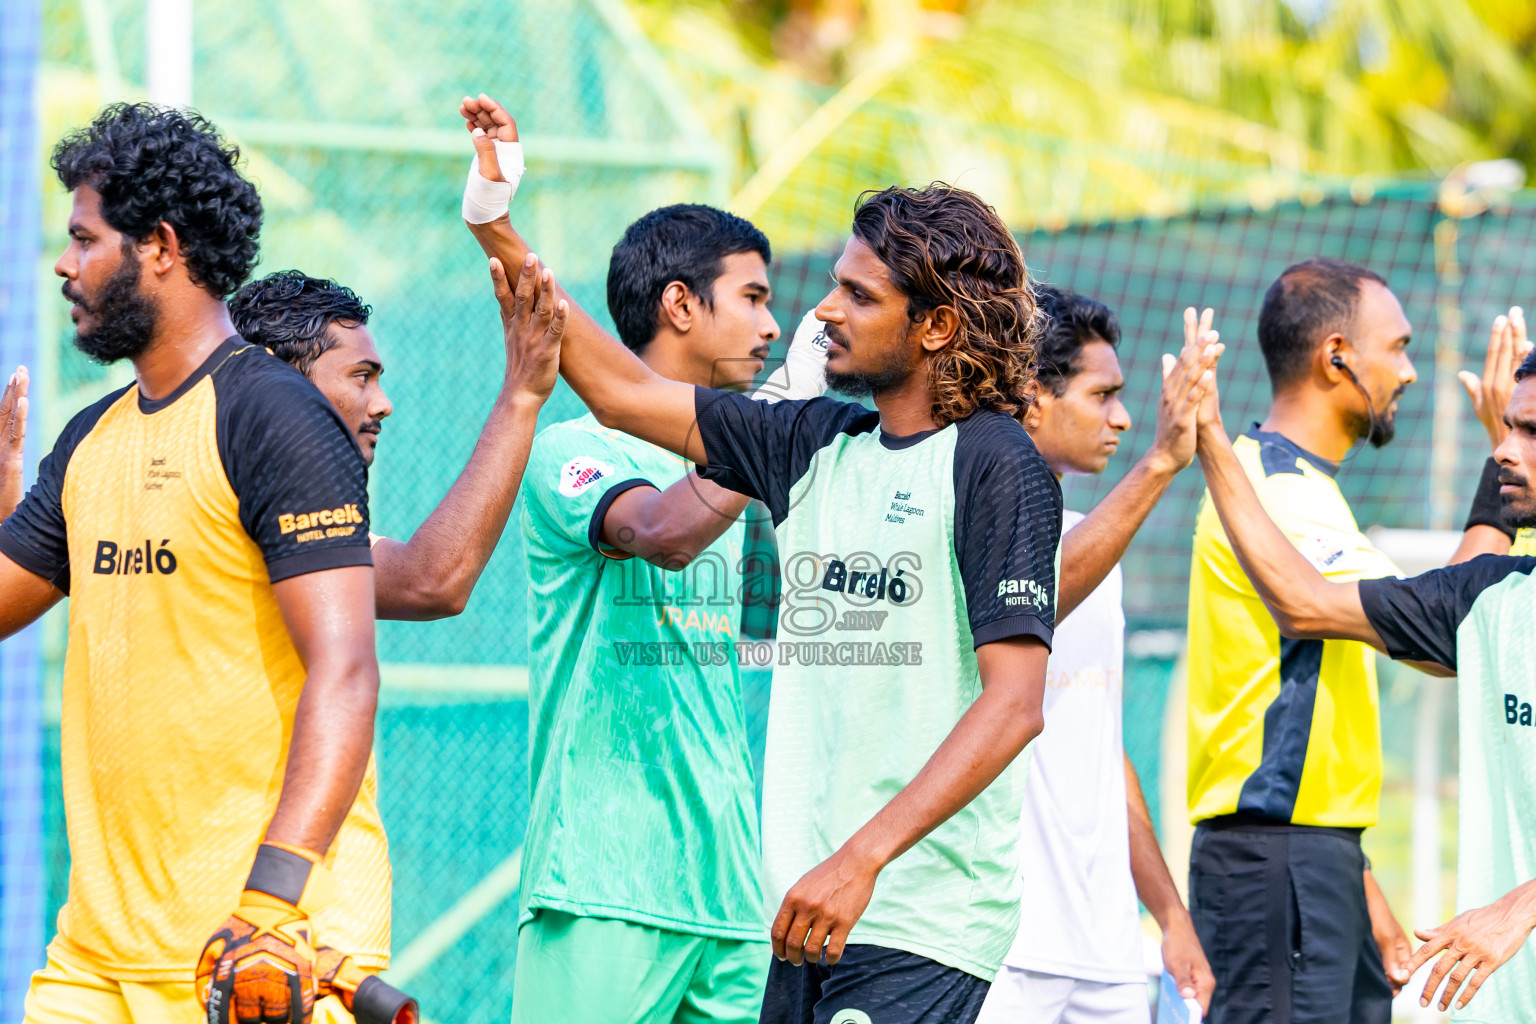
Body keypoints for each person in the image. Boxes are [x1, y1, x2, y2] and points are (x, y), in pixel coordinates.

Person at [477, 168, 1077, 1024]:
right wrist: (495, 226)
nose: (823, 309)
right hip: (802, 911)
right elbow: (622, 393)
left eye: (857, 294)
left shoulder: (995, 460)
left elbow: (1015, 706)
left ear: (938, 325)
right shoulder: (816, 440)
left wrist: (860, 860)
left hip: (917, 919)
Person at [0, 104, 412, 1024]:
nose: (64, 266)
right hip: (97, 959)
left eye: (83, 239)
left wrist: (270, 905)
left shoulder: (272, 417)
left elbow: (346, 671)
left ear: (160, 247)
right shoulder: (90, 439)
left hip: (260, 954)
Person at [458, 96, 826, 1024]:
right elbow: (664, 536)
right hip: (604, 881)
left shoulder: (727, 469)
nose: (773, 326)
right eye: (753, 299)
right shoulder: (574, 452)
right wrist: (493, 223)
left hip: (733, 895)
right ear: (679, 304)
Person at [1184, 258, 1507, 1024]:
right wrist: (1507, 465)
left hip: (1315, 858)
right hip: (1276, 865)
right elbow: (1441, 635)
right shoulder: (1275, 489)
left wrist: (1361, 886)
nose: (1410, 372)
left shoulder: (1300, 486)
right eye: (1396, 348)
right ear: (1337, 356)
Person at [977, 287, 1218, 1023]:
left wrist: (1171, 917)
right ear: (1032, 400)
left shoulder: (1098, 549)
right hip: (1003, 950)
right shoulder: (968, 525)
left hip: (1108, 952)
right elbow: (1035, 593)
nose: (1122, 417)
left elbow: (1100, 751)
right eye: (1103, 394)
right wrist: (1160, 465)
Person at [229, 267, 563, 620]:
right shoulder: (242, 491)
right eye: (361, 377)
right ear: (283, 380)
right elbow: (429, 583)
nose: (383, 405)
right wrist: (521, 394)